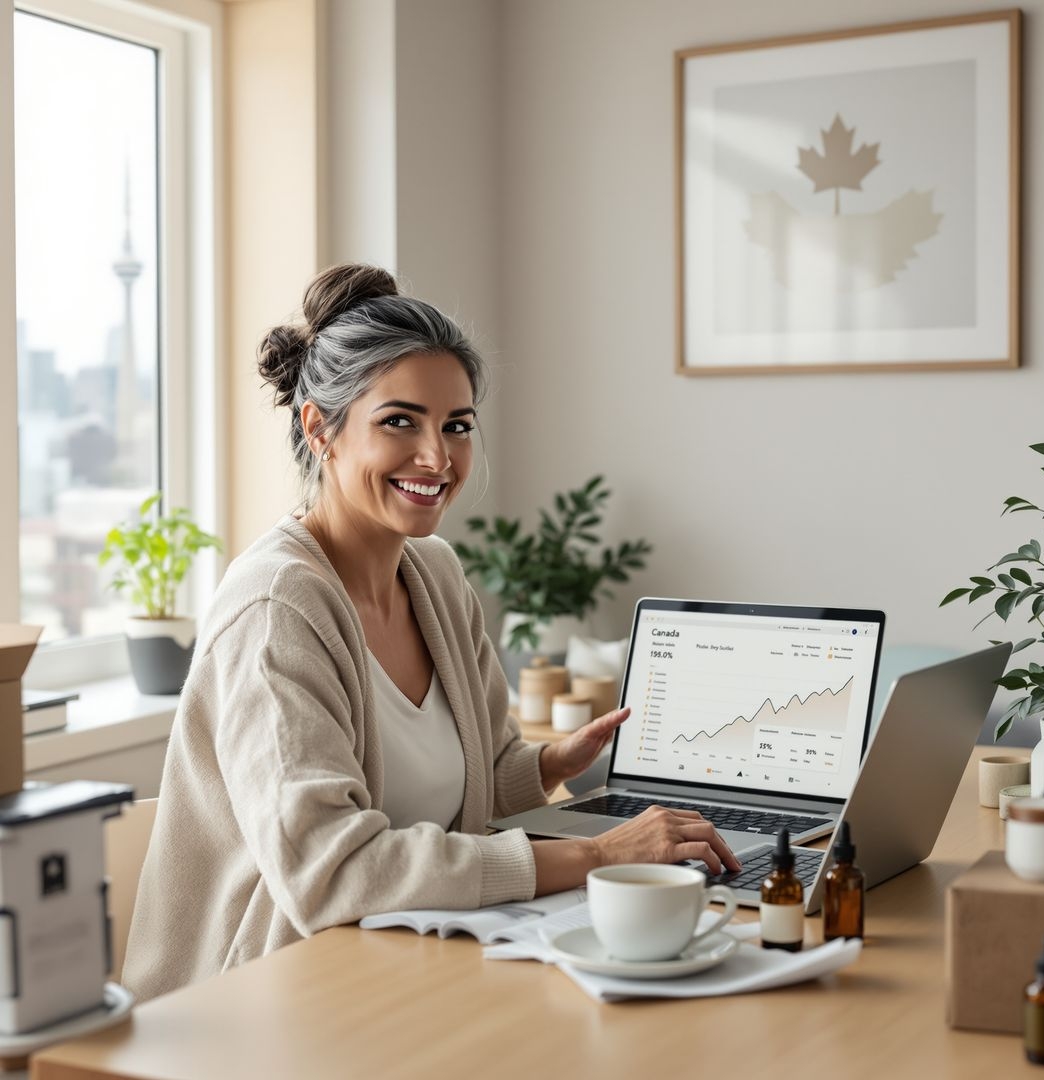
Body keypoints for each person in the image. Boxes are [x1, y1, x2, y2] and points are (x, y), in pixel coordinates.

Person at [123, 264, 739, 1001]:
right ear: (320, 427)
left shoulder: (436, 576)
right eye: (399, 422)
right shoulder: (276, 608)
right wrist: (595, 854)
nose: (437, 458)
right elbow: (330, 872)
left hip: (401, 965)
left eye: (456, 426)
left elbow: (467, 790)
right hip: (260, 993)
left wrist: (544, 765)